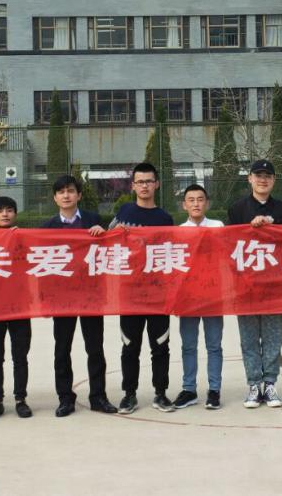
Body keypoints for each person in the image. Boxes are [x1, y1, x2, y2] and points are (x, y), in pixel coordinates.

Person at [229, 159, 282, 409]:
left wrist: (275, 225)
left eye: (267, 176)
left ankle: (270, 383)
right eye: (258, 175)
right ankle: (254, 384)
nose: (263, 180)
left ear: (274, 180)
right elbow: (228, 242)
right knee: (249, 339)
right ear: (249, 178)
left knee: (273, 337)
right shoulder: (237, 209)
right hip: (246, 286)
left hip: (274, 285)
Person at [40, 175, 117, 417]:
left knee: (95, 348)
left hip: (91, 295)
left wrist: (103, 233)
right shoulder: (47, 227)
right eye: (61, 192)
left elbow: (109, 251)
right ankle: (65, 398)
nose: (66, 195)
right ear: (55, 198)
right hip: (62, 298)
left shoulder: (93, 220)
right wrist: (45, 300)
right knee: (62, 349)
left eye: (71, 191)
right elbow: (41, 265)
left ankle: (98, 397)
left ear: (79, 195)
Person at [111, 162, 177, 415]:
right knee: (130, 346)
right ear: (133, 186)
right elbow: (105, 241)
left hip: (158, 293)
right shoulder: (124, 212)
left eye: (149, 181)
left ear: (156, 184)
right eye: (140, 182)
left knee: (160, 346)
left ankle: (161, 393)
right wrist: (111, 231)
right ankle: (129, 394)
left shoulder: (165, 218)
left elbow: (172, 253)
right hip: (129, 292)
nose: (144, 186)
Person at [174, 184, 225, 410]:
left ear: (207, 203)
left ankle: (214, 390)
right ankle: (189, 389)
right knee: (188, 345)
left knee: (214, 345)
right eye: (191, 200)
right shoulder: (178, 231)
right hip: (188, 296)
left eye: (200, 199)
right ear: (184, 205)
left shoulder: (218, 226)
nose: (196, 204)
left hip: (213, 293)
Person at [0, 196, 33, 420]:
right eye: (0, 211)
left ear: (15, 214)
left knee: (20, 356)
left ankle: (20, 399)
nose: (5, 214)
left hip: (20, 306)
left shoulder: (25, 238)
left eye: (10, 210)